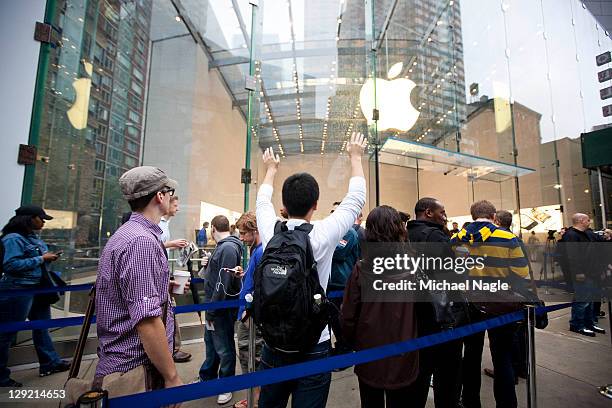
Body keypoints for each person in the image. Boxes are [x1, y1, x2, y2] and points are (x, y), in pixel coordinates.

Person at [255, 132, 367, 408]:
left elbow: (261, 202)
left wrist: (271, 169)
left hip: (274, 341)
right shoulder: (322, 235)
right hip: (314, 342)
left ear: (284, 207)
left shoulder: (271, 232)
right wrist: (355, 156)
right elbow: (356, 199)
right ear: (315, 205)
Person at [96, 167, 184, 394]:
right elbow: (147, 320)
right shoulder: (141, 242)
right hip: (134, 369)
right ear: (160, 196)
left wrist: (161, 288)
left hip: (130, 363)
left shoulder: (129, 233)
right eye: (169, 191)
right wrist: (171, 377)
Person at [451, 200, 529, 408]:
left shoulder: (456, 239)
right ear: (494, 216)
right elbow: (522, 276)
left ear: (472, 215)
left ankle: (470, 402)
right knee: (502, 358)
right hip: (501, 305)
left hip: (469, 305)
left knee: (471, 356)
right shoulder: (509, 238)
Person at [342, 205, 420, 408]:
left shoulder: (361, 267)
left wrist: (350, 341)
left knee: (371, 401)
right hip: (405, 350)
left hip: (369, 350)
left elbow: (348, 315)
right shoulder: (414, 264)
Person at [0, 205, 70, 387]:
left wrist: (48, 258)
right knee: (7, 333)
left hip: (38, 289)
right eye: (41, 218)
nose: (44, 222)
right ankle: (1, 375)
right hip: (18, 289)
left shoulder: (32, 238)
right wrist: (41, 259)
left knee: (42, 327)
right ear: (30, 218)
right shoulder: (13, 239)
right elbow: (10, 265)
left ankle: (50, 363)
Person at [406, 197, 464, 408]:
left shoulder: (404, 235)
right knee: (447, 373)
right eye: (442, 212)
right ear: (428, 212)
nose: (445, 216)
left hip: (414, 317)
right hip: (440, 317)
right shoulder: (437, 237)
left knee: (419, 373)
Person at [198, 215, 243, 405]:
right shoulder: (224, 248)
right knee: (211, 344)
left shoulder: (227, 248)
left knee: (224, 347)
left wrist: (214, 308)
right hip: (214, 307)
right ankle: (207, 377)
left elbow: (223, 283)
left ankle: (226, 384)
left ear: (212, 229)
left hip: (220, 309)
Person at [557, 213, 606, 337]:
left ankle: (589, 322)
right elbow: (573, 256)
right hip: (583, 273)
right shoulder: (571, 235)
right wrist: (578, 272)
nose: (589, 222)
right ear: (581, 220)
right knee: (582, 300)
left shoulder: (588, 234)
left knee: (590, 300)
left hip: (593, 272)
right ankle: (577, 324)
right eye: (587, 220)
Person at [234, 211, 265, 408]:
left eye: (244, 233)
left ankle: (256, 402)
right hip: (248, 315)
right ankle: (253, 397)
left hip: (251, 319)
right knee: (249, 362)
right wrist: (244, 275)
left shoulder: (261, 252)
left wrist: (248, 314)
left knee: (252, 361)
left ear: (255, 230)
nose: (242, 238)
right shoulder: (257, 251)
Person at [158, 196, 191, 364]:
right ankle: (171, 349)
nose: (177, 208)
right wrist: (171, 244)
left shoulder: (165, 224)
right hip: (158, 276)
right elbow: (152, 246)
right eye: (175, 205)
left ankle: (173, 348)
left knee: (169, 311)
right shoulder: (158, 224)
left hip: (164, 274)